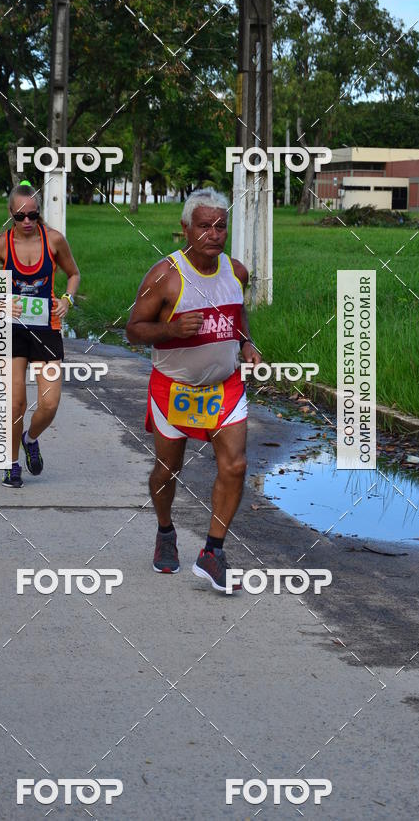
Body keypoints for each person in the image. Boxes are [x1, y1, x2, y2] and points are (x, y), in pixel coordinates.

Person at [126, 188, 262, 593]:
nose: (214, 233)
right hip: (174, 389)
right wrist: (170, 329)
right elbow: (133, 330)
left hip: (225, 389)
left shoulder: (236, 271)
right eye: (204, 226)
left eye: (220, 226)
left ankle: (212, 553)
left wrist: (246, 343)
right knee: (169, 470)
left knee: (235, 466)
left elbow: (238, 314)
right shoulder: (165, 275)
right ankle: (166, 531)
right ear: (186, 229)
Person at [0, 184, 80, 488]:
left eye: (33, 215)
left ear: (40, 213)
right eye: (21, 216)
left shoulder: (54, 241)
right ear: (10, 214)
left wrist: (67, 299)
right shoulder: (0, 245)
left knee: (49, 404)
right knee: (15, 404)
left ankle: (30, 438)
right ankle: (11, 465)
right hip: (11, 330)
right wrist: (1, 301)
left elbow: (74, 274)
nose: (27, 221)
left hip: (47, 329)